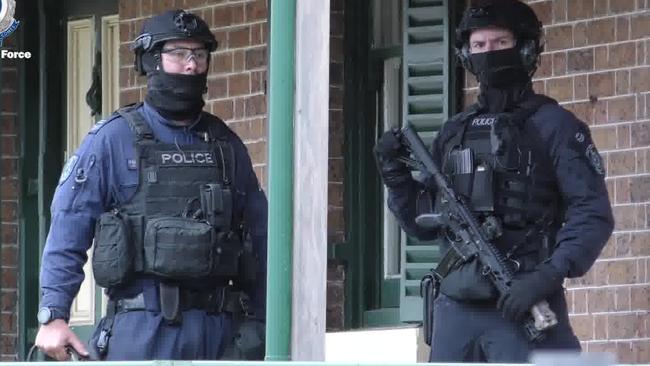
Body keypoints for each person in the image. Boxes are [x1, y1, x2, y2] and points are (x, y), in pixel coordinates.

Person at [375, 0, 614, 362]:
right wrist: (396, 177)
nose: (489, 53)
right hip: (456, 310)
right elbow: (423, 223)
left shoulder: (556, 127)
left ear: (525, 48)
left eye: (500, 43)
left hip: (523, 304)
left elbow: (592, 213)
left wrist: (548, 275)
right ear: (467, 55)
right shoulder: (455, 131)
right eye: (479, 45)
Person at [34, 9, 268, 361]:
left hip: (222, 333)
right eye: (178, 54)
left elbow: (264, 240)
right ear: (150, 61)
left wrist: (263, 321)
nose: (191, 66)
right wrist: (53, 315)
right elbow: (69, 227)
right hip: (142, 329)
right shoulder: (113, 140)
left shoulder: (225, 146)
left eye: (199, 55)